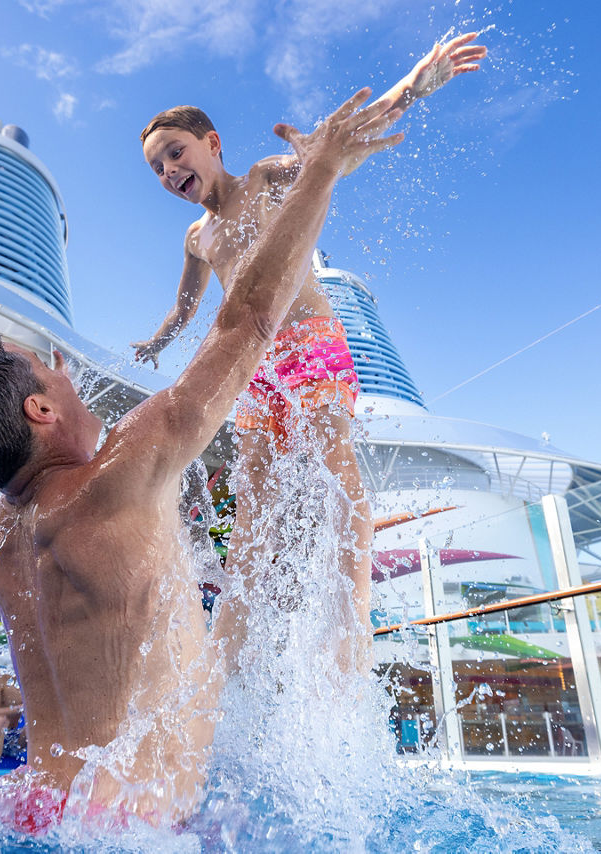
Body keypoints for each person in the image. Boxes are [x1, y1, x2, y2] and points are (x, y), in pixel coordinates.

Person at [0, 90, 403, 831]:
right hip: (133, 825)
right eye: (49, 369)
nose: (64, 369)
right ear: (40, 411)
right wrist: (326, 170)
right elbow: (248, 318)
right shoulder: (121, 478)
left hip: (32, 806)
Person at [133, 33, 486, 671]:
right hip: (253, 364)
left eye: (176, 153)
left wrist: (416, 82)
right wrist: (158, 342)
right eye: (157, 168)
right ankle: (233, 647)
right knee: (255, 501)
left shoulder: (267, 179)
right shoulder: (196, 236)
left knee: (333, 462)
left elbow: (339, 148)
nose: (168, 173)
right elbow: (186, 307)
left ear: (212, 144)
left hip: (311, 342)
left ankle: (350, 625)